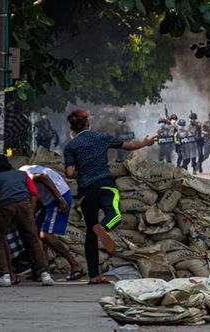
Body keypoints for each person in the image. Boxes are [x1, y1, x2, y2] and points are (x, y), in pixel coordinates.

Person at [64, 109, 157, 284]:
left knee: (90, 235)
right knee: (114, 214)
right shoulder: (101, 137)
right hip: (105, 185)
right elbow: (129, 146)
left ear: (72, 127)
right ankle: (104, 227)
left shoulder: (71, 146)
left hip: (85, 192)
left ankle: (94, 275)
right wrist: (146, 142)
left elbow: (69, 173)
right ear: (88, 123)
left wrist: (82, 172)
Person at [0, 155, 53, 287]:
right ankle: (45, 274)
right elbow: (34, 191)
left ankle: (4, 275)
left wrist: (7, 216)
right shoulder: (22, 174)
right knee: (33, 238)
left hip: (5, 205)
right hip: (25, 204)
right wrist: (30, 210)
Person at [19, 165, 84, 280]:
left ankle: (75, 264)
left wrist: (59, 199)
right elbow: (36, 196)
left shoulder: (22, 175)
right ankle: (43, 269)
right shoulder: (23, 173)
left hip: (57, 199)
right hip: (50, 201)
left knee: (45, 235)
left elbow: (43, 177)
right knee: (37, 232)